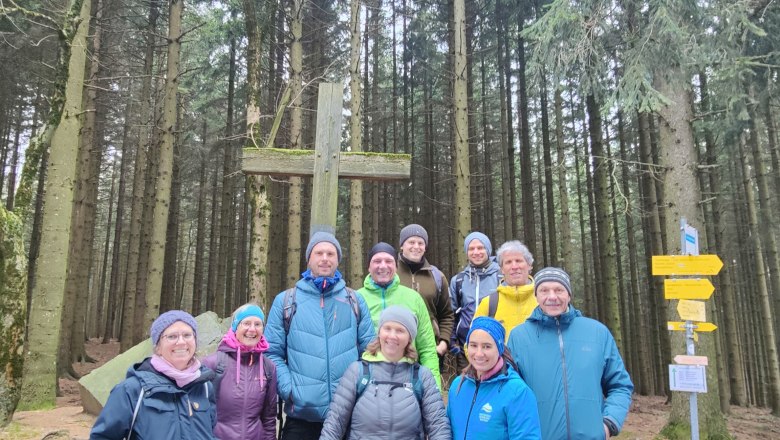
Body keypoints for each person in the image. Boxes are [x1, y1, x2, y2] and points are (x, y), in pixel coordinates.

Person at [265, 231, 375, 439]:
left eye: (331, 254)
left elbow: (370, 353)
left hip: (347, 416)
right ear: (309, 258)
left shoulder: (355, 301)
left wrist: (358, 390)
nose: (325, 258)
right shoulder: (286, 301)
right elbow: (271, 354)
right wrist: (290, 391)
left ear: (338, 260)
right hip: (301, 418)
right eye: (319, 253)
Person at [507, 267, 633, 439]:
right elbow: (508, 391)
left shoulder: (597, 332)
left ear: (569, 294)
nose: (552, 297)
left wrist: (609, 423)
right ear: (536, 296)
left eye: (559, 290)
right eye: (544, 290)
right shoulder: (519, 336)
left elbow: (620, 385)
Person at [320, 306, 451, 440]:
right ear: (379, 333)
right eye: (387, 328)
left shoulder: (421, 376)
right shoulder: (357, 372)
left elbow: (438, 426)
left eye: (400, 330)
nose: (392, 336)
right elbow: (334, 424)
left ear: (410, 338)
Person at [91, 310, 216, 439]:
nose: (181, 342)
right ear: (158, 347)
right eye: (172, 336)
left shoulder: (205, 387)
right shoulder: (131, 390)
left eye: (187, 335)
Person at [356, 242, 442, 388]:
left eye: (389, 261)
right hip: (369, 382)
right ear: (369, 267)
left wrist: (433, 389)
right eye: (377, 261)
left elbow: (427, 348)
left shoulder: (413, 298)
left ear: (396, 266)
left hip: (407, 379)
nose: (383, 266)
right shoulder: (356, 299)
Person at [447, 316, 541, 439]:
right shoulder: (458, 386)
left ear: (499, 348)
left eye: (487, 346)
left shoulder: (517, 392)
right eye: (473, 345)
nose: (479, 353)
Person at [202, 303, 277, 440]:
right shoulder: (213, 364)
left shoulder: (268, 367)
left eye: (258, 324)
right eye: (246, 323)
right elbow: (200, 414)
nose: (252, 329)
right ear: (235, 327)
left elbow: (269, 418)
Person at [396, 224, 454, 361]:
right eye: (411, 242)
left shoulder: (437, 277)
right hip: (395, 350)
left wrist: (443, 343)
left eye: (420, 243)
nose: (416, 246)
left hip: (430, 350)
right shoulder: (390, 273)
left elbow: (447, 315)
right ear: (401, 245)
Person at [449, 231, 502, 371]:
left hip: (496, 345)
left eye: (480, 248)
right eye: (471, 249)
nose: (476, 252)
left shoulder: (501, 277)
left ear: (488, 250)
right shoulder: (458, 280)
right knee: (467, 388)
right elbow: (452, 313)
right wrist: (453, 341)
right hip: (465, 346)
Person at [474, 240, 535, 338]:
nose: (514, 267)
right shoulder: (489, 303)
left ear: (529, 265)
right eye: (508, 262)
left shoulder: (543, 300)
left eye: (519, 261)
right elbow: (472, 343)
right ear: (502, 269)